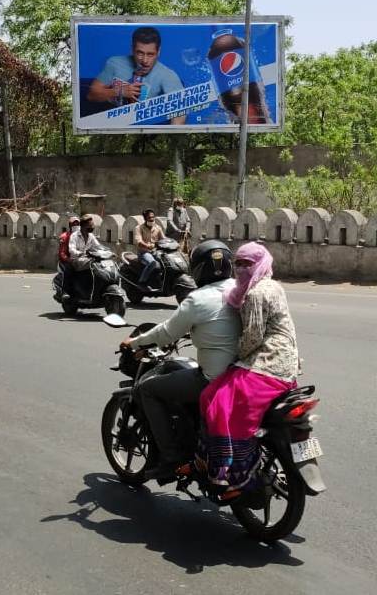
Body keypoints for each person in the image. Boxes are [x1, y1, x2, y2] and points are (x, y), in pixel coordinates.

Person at [119, 240, 241, 478]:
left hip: (213, 379)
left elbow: (166, 333)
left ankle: (170, 457)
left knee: (147, 389)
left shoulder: (198, 299)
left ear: (197, 269)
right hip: (246, 374)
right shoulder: (243, 289)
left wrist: (133, 343)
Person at [198, 242, 300, 500]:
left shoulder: (255, 294)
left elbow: (253, 336)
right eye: (239, 263)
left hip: (267, 363)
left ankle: (229, 469)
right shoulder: (274, 285)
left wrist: (235, 356)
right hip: (287, 363)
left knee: (214, 399)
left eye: (248, 264)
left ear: (261, 263)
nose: (242, 268)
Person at [86, 26, 186, 125]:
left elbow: (180, 113)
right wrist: (120, 91)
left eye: (150, 54)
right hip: (110, 125)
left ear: (158, 52)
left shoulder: (167, 75)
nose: (145, 61)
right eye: (140, 53)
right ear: (132, 49)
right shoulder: (114, 63)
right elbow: (91, 95)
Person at [134, 209, 165, 290]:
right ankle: (142, 282)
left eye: (153, 217)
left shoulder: (158, 228)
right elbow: (139, 241)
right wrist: (147, 246)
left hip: (156, 252)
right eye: (149, 217)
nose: (152, 219)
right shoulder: (139, 228)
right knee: (152, 262)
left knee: (166, 262)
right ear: (145, 218)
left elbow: (163, 239)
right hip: (143, 253)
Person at [56, 217, 80, 300]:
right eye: (74, 224)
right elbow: (62, 253)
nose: (76, 225)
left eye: (77, 224)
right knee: (69, 269)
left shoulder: (82, 235)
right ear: (70, 226)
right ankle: (64, 291)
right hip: (67, 260)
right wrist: (69, 260)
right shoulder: (65, 236)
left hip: (80, 259)